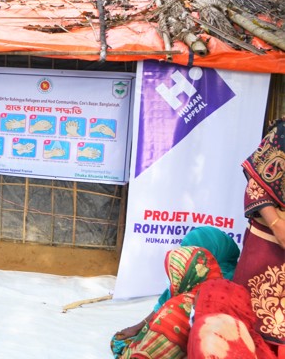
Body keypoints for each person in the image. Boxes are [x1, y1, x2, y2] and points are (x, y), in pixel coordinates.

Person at [111, 226, 241, 351]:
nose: (191, 257)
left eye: (196, 253)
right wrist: (139, 327)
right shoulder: (193, 276)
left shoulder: (233, 286)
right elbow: (167, 300)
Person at [231, 118, 285, 355]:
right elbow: (257, 182)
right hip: (268, 243)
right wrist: (277, 224)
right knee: (247, 324)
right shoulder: (283, 134)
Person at [115, 246, 223, 358]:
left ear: (185, 275)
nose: (171, 281)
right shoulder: (226, 294)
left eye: (173, 274)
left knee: (118, 342)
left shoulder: (178, 307)